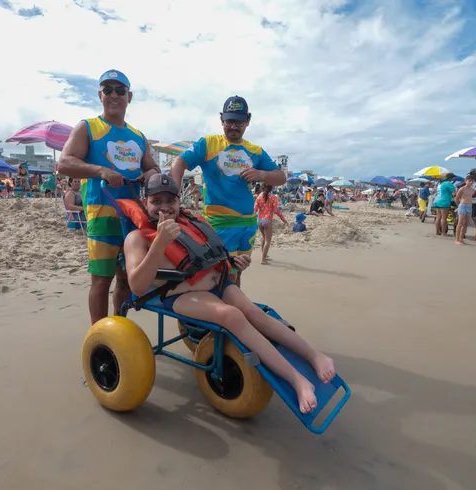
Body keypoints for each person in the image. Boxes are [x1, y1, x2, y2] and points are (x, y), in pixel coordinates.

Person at [120, 173, 335, 414]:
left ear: (179, 202)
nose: (164, 207)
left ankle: (314, 356)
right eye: (156, 201)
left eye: (170, 200)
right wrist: (159, 242)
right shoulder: (136, 238)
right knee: (232, 316)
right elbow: (137, 286)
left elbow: (207, 256)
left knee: (257, 314)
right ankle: (297, 380)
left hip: (217, 284)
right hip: (176, 295)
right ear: (144, 201)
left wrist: (233, 262)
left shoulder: (191, 223)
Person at [56, 69, 161, 325]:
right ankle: (100, 335)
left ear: (129, 96)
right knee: (101, 280)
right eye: (108, 90)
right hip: (101, 216)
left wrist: (150, 174)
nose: (114, 95)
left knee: (126, 277)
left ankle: (119, 326)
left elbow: (153, 168)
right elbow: (65, 163)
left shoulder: (138, 136)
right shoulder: (88, 127)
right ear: (100, 95)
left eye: (120, 91)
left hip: (133, 218)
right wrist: (100, 170)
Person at [169, 95, 286, 287]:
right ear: (221, 118)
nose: (233, 126)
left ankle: (233, 310)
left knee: (237, 273)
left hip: (248, 223)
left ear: (248, 120)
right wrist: (173, 196)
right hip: (219, 223)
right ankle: (221, 313)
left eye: (239, 121)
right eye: (230, 121)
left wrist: (261, 174)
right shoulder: (208, 144)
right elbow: (179, 162)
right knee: (220, 274)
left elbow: (280, 177)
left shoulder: (255, 151)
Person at [254, 183, 287, 264]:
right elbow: (276, 210)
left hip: (259, 220)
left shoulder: (259, 197)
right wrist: (283, 219)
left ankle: (264, 255)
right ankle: (263, 259)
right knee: (268, 240)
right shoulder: (273, 197)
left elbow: (254, 209)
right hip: (267, 220)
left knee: (263, 238)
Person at [454, 179, 473, 245]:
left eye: (472, 181)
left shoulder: (472, 190)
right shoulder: (462, 189)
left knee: (466, 223)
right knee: (460, 223)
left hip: (469, 206)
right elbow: (456, 198)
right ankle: (457, 239)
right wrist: (459, 206)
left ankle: (461, 238)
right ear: (466, 181)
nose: (471, 182)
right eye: (469, 180)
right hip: (463, 205)